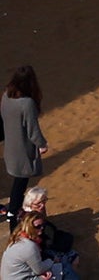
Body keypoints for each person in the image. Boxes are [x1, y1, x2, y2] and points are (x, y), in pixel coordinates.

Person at [1, 70, 43, 222]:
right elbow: (33, 129)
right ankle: (13, 212)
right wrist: (42, 144)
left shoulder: (6, 95)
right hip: (22, 149)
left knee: (18, 179)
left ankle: (13, 210)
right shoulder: (27, 103)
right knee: (21, 180)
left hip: (10, 145)